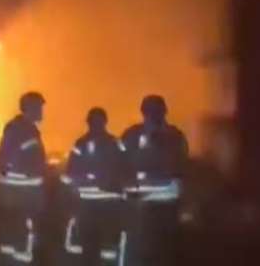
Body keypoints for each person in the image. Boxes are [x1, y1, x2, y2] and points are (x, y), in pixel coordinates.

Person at [121, 95, 189, 266]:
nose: (153, 115)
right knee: (141, 250)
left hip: (161, 208)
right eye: (150, 111)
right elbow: (119, 164)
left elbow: (181, 168)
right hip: (141, 208)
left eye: (156, 111)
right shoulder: (133, 135)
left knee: (161, 251)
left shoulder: (174, 136)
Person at [63, 108, 126, 266]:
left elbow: (70, 173)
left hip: (88, 205)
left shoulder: (81, 144)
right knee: (106, 246)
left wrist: (76, 190)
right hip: (108, 205)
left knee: (90, 246)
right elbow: (125, 169)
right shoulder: (115, 143)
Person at [0, 91, 47, 265]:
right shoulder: (25, 130)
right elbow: (26, 163)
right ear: (30, 108)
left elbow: (6, 162)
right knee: (24, 236)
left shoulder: (16, 127)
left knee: (11, 237)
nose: (42, 112)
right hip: (24, 195)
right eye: (39, 107)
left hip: (12, 194)